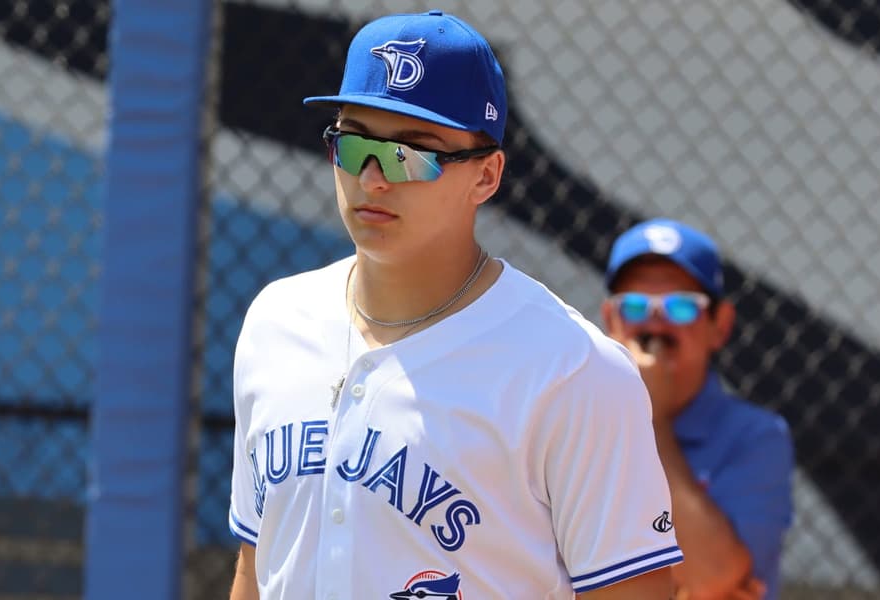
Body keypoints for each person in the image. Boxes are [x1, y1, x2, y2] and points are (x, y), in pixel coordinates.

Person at [228, 10, 681, 599]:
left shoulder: (573, 371)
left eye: (412, 153)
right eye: (354, 143)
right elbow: (255, 570)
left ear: (487, 176)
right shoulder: (276, 323)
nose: (374, 177)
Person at [600, 219, 794, 600]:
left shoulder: (757, 436)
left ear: (719, 326)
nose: (655, 322)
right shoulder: (571, 420)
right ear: (610, 322)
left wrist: (648, 420)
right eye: (635, 306)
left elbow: (711, 577)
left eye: (681, 308)